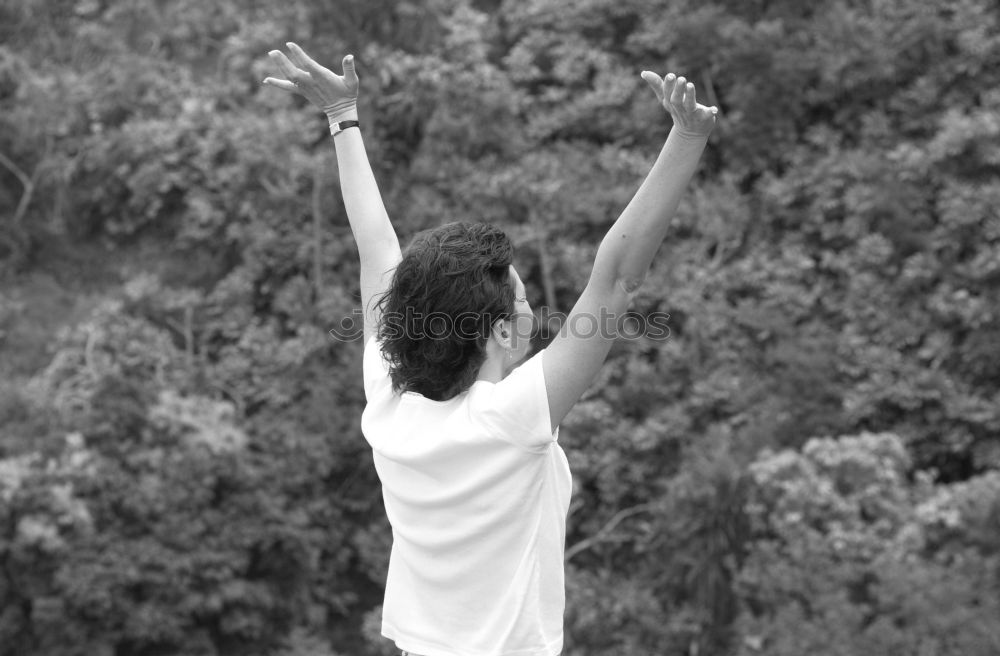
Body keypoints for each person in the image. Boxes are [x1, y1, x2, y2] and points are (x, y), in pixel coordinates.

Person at [264, 41, 716, 656]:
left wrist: (343, 116)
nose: (534, 311)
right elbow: (614, 279)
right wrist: (687, 138)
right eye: (524, 299)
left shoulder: (390, 402)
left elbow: (376, 249)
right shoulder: (510, 420)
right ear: (499, 333)